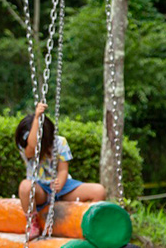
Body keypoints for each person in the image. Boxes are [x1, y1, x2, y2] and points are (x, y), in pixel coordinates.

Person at [15, 102, 106, 240]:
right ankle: (33, 223)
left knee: (99, 191)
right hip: (41, 191)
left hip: (62, 188)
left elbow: (63, 169)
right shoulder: (27, 149)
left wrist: (60, 183)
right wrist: (37, 118)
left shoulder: (59, 142)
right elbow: (33, 145)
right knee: (25, 186)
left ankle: (88, 225)